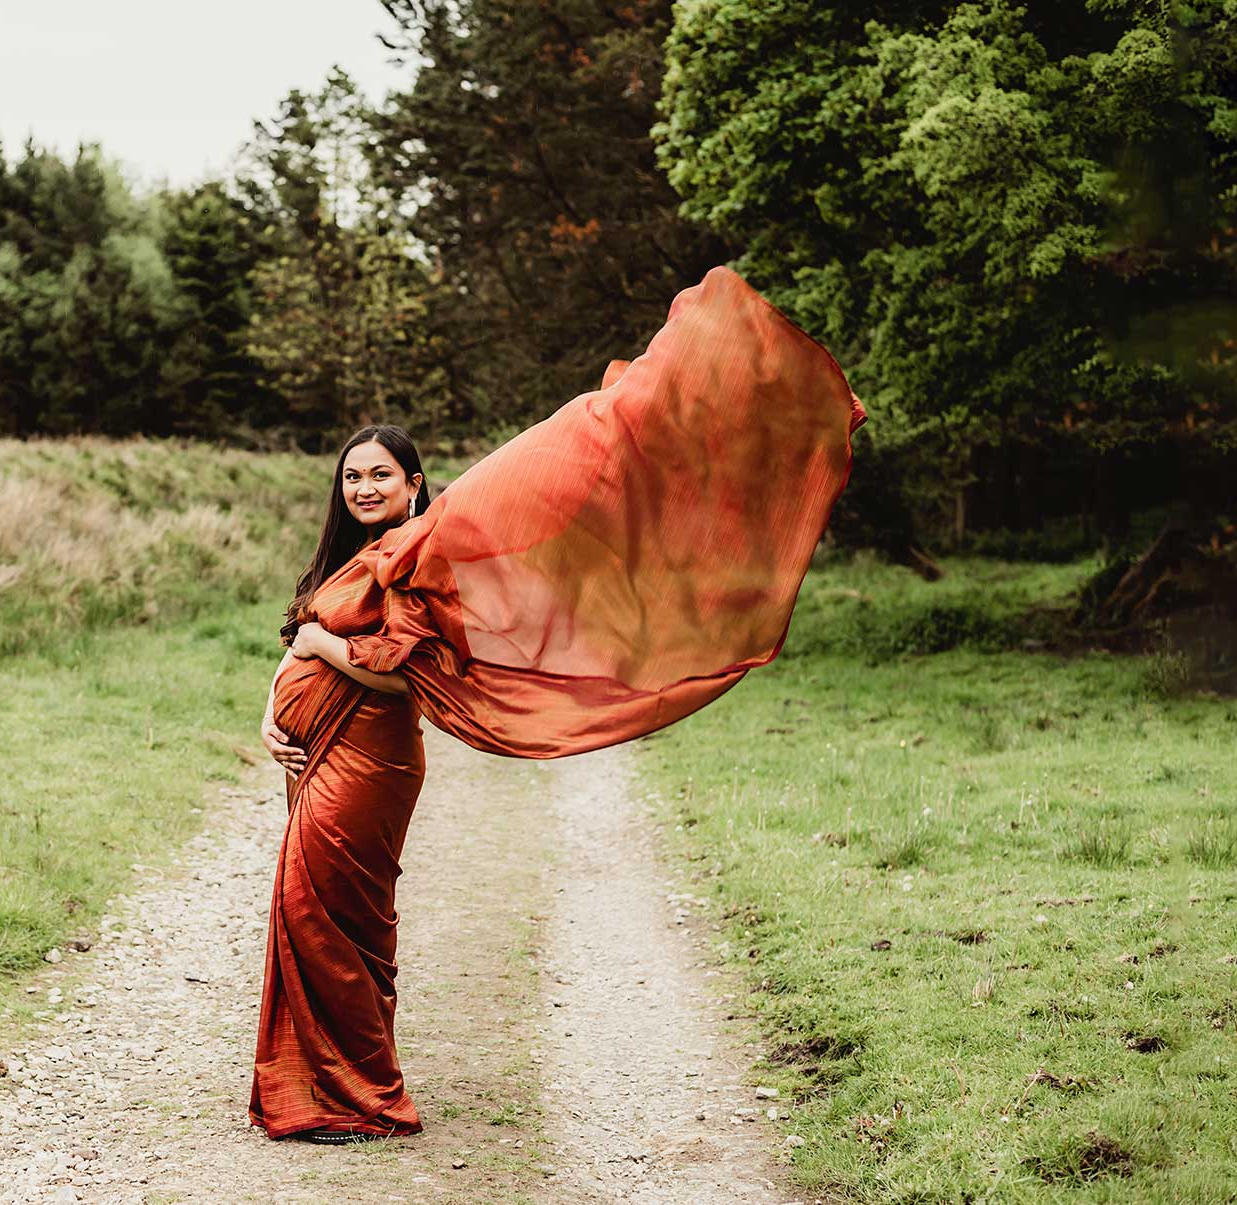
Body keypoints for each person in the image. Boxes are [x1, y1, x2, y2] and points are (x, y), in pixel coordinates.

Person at [249, 265, 868, 1145]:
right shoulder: (347, 560)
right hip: (313, 757)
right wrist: (274, 706)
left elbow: (406, 672)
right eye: (352, 477)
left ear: (415, 482)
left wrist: (317, 650)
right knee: (318, 916)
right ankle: (325, 1085)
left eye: (380, 474)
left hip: (368, 762)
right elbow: (302, 641)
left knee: (326, 916)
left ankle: (356, 1095)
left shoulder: (421, 553)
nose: (364, 488)